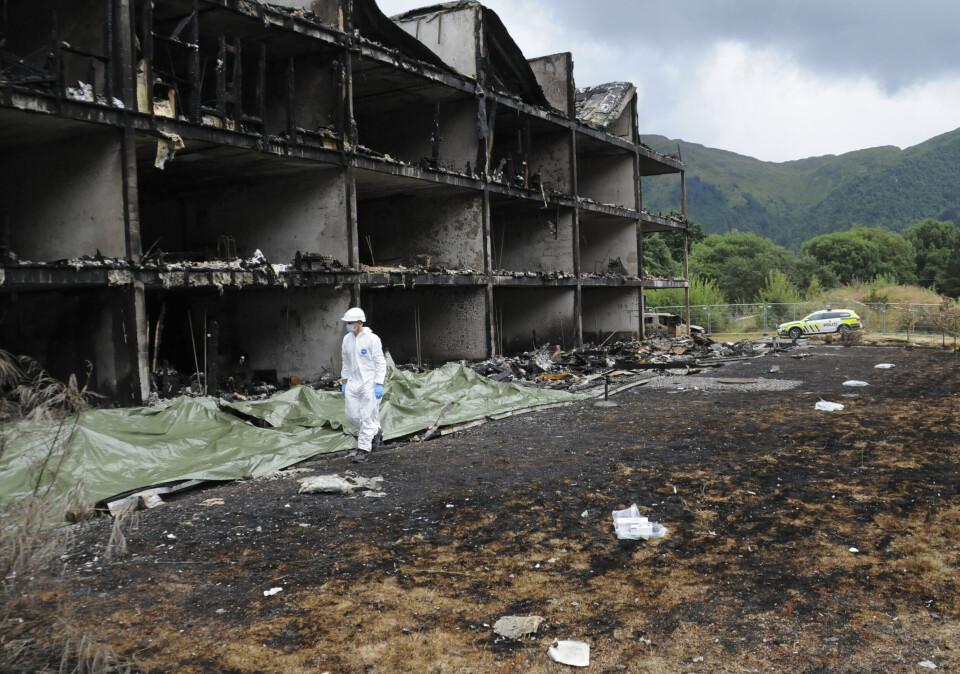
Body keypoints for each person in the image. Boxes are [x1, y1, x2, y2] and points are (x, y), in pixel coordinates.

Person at [340, 307, 386, 463]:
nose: (348, 325)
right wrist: (344, 382)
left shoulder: (372, 339)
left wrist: (379, 383)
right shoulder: (347, 339)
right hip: (353, 382)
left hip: (369, 383)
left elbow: (380, 363)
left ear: (359, 323)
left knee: (366, 417)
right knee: (351, 415)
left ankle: (363, 450)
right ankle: (375, 430)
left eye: (350, 323)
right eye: (347, 323)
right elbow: (345, 362)